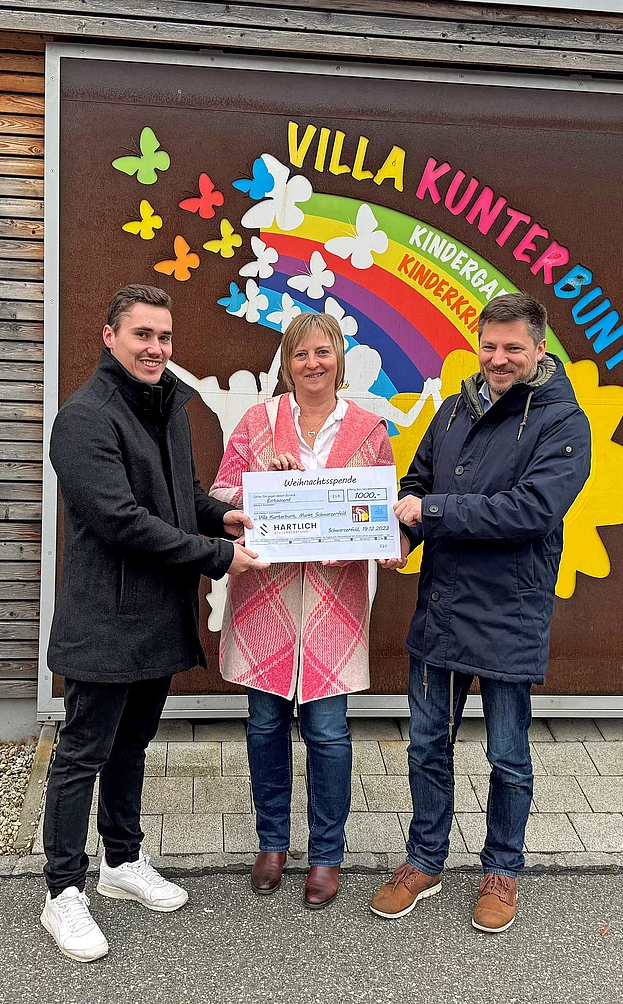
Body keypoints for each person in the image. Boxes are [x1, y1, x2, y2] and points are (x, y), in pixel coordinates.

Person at [41, 284, 265, 963]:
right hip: (104, 619)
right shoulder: (84, 419)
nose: (156, 348)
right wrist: (217, 555)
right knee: (83, 753)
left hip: (157, 614)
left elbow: (176, 496)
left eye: (164, 337)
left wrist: (219, 516)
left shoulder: (166, 405)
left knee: (132, 744)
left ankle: (121, 861)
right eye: (143, 335)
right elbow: (121, 521)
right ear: (109, 337)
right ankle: (62, 891)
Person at [370, 292, 591, 934]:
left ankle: (501, 869)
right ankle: (425, 860)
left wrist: (432, 513)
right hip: (441, 609)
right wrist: (405, 533)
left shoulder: (563, 423)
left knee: (508, 755)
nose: (498, 358)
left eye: (512, 347)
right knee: (426, 745)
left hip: (509, 615)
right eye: (488, 346)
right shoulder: (454, 409)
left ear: (539, 349)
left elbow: (531, 512)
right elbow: (417, 482)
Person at [210, 311, 406, 910]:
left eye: (323, 352)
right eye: (301, 354)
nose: (313, 363)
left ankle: (326, 853)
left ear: (339, 359)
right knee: (265, 724)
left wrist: (388, 540)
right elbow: (219, 494)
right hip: (265, 599)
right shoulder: (257, 422)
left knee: (327, 731)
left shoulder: (369, 429)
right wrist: (261, 484)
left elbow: (382, 509)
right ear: (287, 363)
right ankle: (272, 843)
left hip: (332, 604)